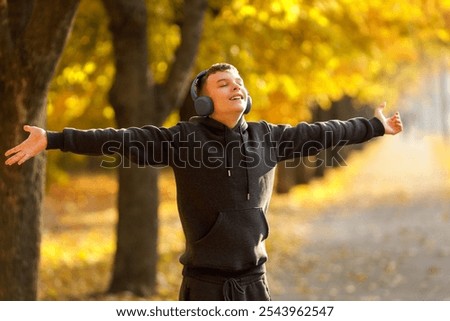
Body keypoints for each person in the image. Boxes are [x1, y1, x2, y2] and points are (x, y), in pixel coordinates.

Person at [4, 63, 403, 300]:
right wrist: (55, 139)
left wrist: (374, 125)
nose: (237, 87)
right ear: (204, 101)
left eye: (239, 82)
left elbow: (325, 131)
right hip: (204, 286)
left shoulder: (269, 136)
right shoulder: (182, 139)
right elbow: (121, 139)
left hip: (255, 284)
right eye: (224, 83)